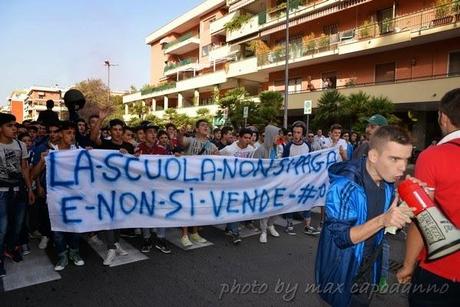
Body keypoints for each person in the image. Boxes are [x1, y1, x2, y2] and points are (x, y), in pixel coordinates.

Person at [315, 125, 414, 307]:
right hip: (340, 277)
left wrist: (409, 203)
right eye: (394, 159)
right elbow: (342, 238)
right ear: (374, 156)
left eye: (406, 159)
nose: (402, 167)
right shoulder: (344, 186)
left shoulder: (388, 183)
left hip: (368, 273)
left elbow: (387, 225)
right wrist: (383, 219)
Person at [397, 88, 460, 307]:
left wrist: (407, 264)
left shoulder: (433, 156)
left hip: (440, 269)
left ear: (443, 117)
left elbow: (422, 218)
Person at [32, 121, 85, 271]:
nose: (72, 136)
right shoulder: (50, 152)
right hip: (55, 199)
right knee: (58, 230)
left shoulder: (78, 150)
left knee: (74, 227)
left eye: (74, 133)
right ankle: (62, 255)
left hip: (75, 198)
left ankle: (74, 253)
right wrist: (42, 160)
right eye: (68, 133)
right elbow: (34, 174)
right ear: (61, 134)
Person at [90, 111, 132, 265]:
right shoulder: (105, 144)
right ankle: (111, 247)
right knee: (108, 217)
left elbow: (135, 166)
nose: (118, 132)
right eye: (115, 129)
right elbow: (93, 138)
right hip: (105, 188)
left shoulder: (129, 146)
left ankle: (116, 243)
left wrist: (128, 156)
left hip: (122, 188)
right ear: (110, 131)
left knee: (118, 218)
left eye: (120, 130)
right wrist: (100, 119)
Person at [0, 113, 35, 277]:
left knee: (18, 225)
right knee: (2, 227)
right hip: (1, 193)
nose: (14, 128)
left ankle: (11, 247)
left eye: (15, 125)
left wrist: (29, 189)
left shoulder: (21, 145)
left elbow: (25, 169)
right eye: (9, 125)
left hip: (19, 191)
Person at [178, 119, 217, 247]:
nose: (206, 127)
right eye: (202, 125)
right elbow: (181, 141)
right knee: (187, 207)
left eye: (207, 126)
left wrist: (217, 156)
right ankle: (184, 234)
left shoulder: (212, 145)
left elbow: (219, 160)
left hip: (202, 182)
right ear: (196, 129)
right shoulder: (191, 140)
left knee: (197, 207)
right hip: (188, 180)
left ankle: (194, 233)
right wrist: (180, 134)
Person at [219, 128, 256, 245]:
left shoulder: (252, 149)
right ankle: (235, 233)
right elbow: (216, 158)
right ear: (239, 137)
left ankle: (229, 227)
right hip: (230, 184)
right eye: (245, 137)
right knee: (234, 207)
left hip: (244, 184)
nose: (248, 140)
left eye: (249, 138)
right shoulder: (229, 149)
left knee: (238, 207)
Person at [282, 122, 319, 236]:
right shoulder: (288, 146)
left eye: (298, 132)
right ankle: (289, 225)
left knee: (306, 201)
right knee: (291, 202)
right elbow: (284, 163)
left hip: (304, 180)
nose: (295, 135)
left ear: (302, 134)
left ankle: (307, 226)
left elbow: (311, 161)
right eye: (294, 132)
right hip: (291, 181)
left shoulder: (307, 146)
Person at [254, 124, 282, 243]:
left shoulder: (278, 148)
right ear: (271, 136)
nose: (279, 137)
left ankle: (271, 225)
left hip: (276, 183)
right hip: (264, 184)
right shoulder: (261, 150)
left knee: (277, 207)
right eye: (277, 135)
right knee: (265, 208)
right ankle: (263, 231)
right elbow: (254, 167)